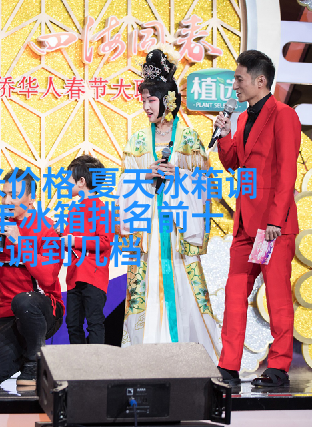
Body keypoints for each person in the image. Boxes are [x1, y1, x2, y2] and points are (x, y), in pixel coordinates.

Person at [116, 48, 220, 362]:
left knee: (183, 282)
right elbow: (124, 185)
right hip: (148, 228)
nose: (146, 106)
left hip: (176, 228)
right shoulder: (137, 141)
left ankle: (191, 355)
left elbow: (205, 186)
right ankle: (144, 355)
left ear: (167, 100)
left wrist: (180, 177)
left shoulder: (188, 139)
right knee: (146, 284)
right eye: (143, 100)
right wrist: (145, 175)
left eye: (151, 100)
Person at [215, 50, 300, 387]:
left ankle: (278, 367)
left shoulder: (284, 115)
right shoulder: (241, 119)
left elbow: (287, 171)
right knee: (235, 293)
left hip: (272, 226)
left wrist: (276, 221)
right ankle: (228, 366)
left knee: (277, 296)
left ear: (260, 80)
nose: (235, 85)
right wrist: (224, 134)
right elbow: (233, 162)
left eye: (239, 79)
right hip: (245, 225)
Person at [0, 169, 64, 387]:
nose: (7, 201)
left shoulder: (48, 229)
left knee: (24, 301)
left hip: (44, 309)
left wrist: (20, 242)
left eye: (13, 195)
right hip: (8, 313)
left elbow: (47, 278)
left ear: (31, 198)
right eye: (4, 194)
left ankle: (35, 362)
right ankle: (26, 353)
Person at [61, 155, 114, 344]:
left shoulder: (102, 210)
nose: (66, 182)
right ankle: (79, 362)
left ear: (81, 181)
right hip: (74, 277)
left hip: (94, 276)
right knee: (72, 323)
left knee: (94, 322)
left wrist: (74, 240)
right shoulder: (74, 211)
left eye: (69, 178)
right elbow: (68, 242)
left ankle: (96, 362)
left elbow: (105, 241)